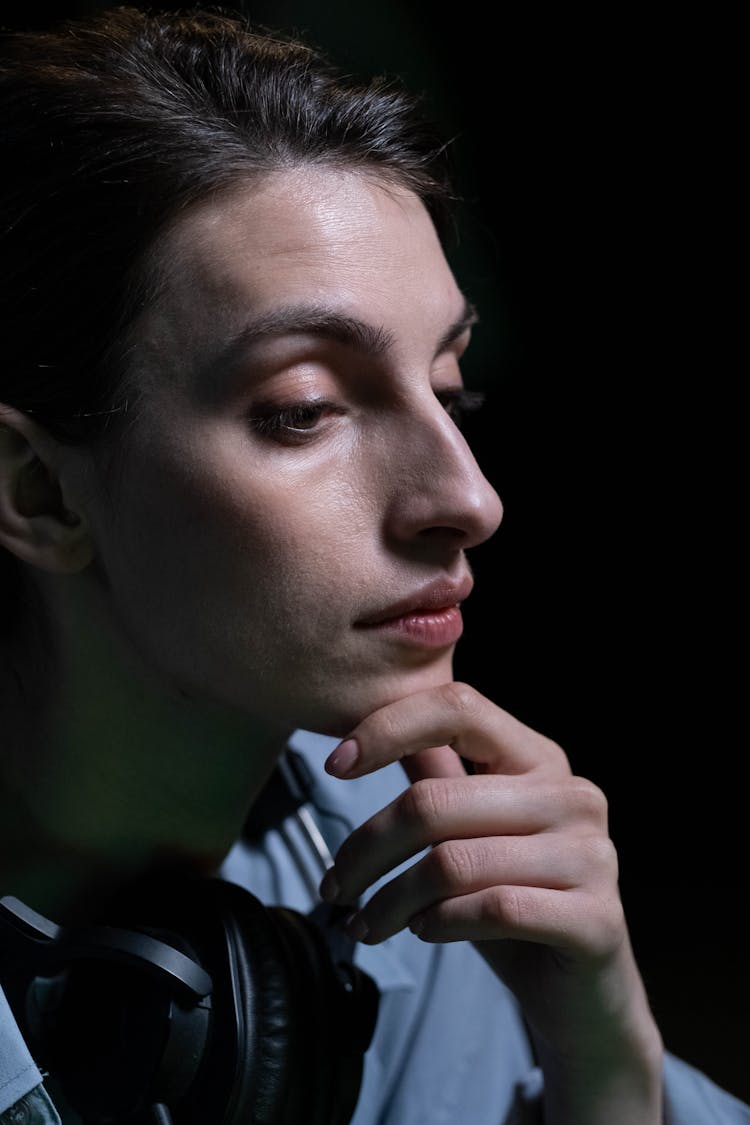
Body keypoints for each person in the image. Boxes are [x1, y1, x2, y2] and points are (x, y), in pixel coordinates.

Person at [0, 7, 746, 1124]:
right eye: (306, 410)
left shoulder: (410, 853)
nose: (471, 501)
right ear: (40, 492)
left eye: (450, 391)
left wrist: (607, 1060)